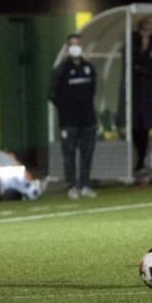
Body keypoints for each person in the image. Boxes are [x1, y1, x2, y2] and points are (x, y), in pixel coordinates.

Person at [48, 34, 98, 199]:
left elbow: (92, 91)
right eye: (72, 45)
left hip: (87, 119)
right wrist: (65, 109)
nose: (76, 47)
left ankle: (85, 185)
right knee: (69, 154)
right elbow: (52, 95)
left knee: (87, 153)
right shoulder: (61, 70)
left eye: (78, 44)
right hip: (68, 121)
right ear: (67, 49)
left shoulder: (88, 68)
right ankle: (72, 186)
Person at [118, 19, 152, 174]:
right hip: (133, 95)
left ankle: (141, 161)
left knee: (145, 127)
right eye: (143, 30)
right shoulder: (131, 45)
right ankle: (132, 161)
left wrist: (142, 70)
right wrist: (142, 54)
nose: (146, 33)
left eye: (148, 30)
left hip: (147, 95)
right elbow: (131, 66)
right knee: (133, 127)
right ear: (138, 30)